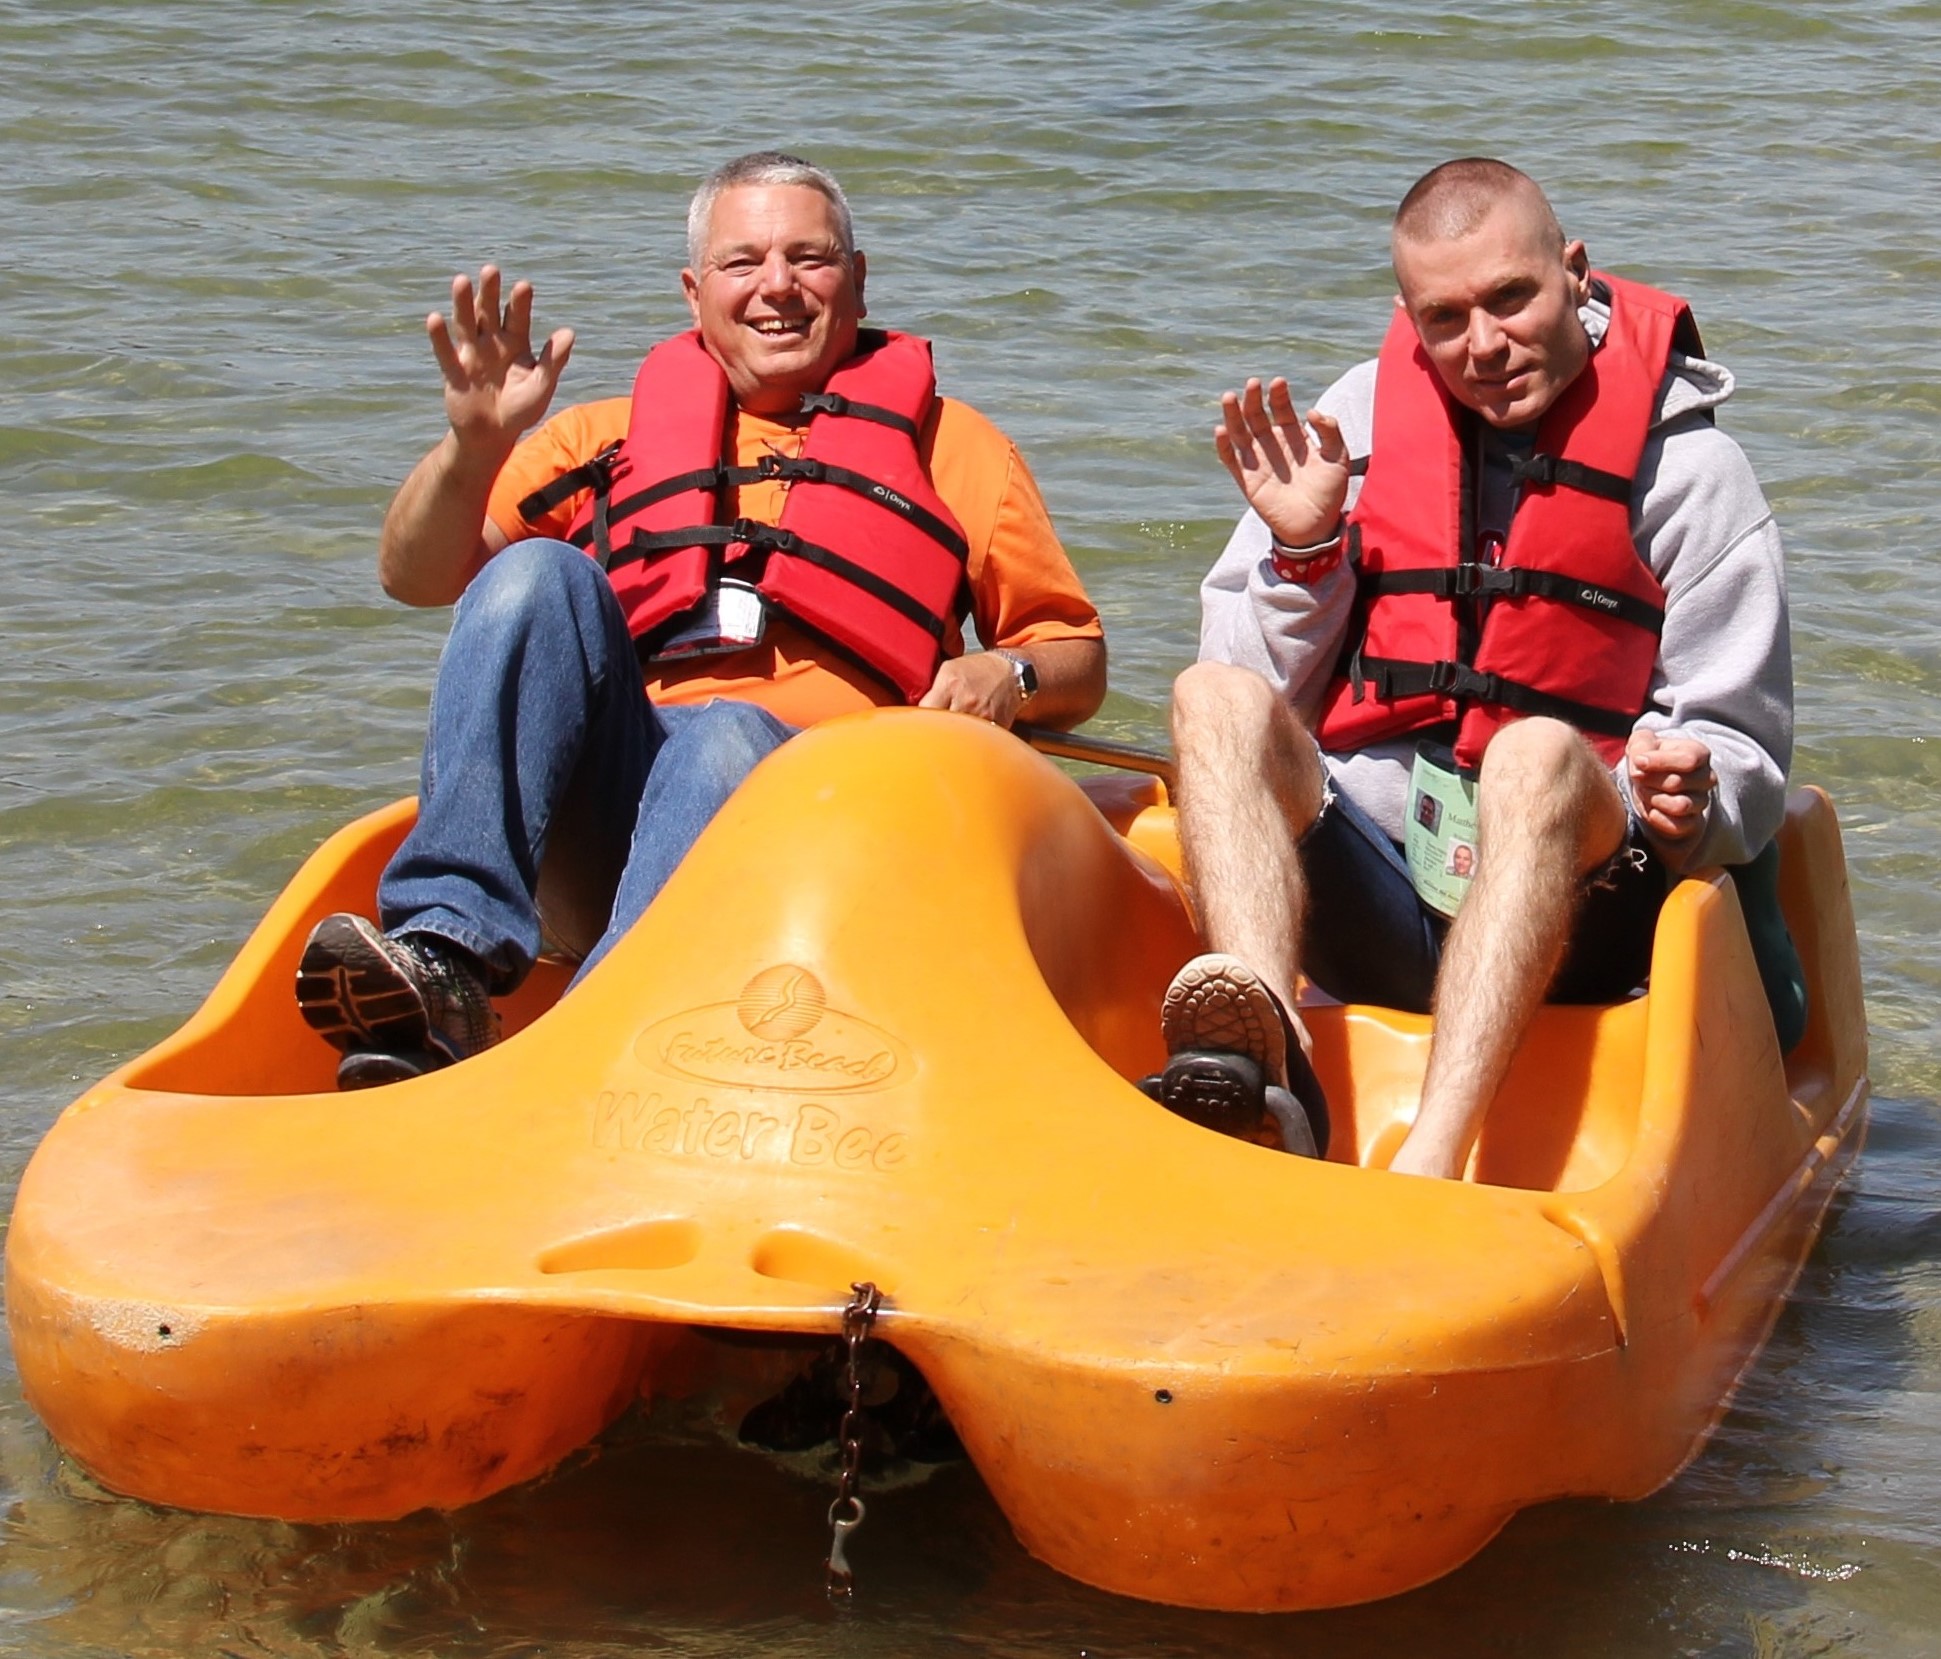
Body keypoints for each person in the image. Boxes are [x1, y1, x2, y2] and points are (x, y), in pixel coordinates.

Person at [296, 151, 1106, 1089]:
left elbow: (1075, 659)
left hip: (834, 842)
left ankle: (591, 1036)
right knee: (531, 574)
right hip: (612, 819)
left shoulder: (956, 448)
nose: (778, 287)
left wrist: (1009, 673)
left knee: (723, 735)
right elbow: (414, 575)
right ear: (693, 290)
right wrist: (472, 447)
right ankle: (443, 955)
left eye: (810, 258)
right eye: (743, 262)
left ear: (857, 278)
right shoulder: (598, 440)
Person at [1154, 157, 1791, 1177]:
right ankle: (1269, 1072)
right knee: (1206, 695)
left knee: (1534, 753)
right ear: (1409, 316)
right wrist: (1304, 557)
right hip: (1375, 897)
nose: (1484, 346)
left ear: (1574, 274)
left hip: (1577, 914)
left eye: (1511, 299)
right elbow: (1245, 712)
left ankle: (1433, 1161)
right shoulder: (1352, 426)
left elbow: (1745, 751)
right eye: (1446, 319)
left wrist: (1694, 798)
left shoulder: (1692, 471)